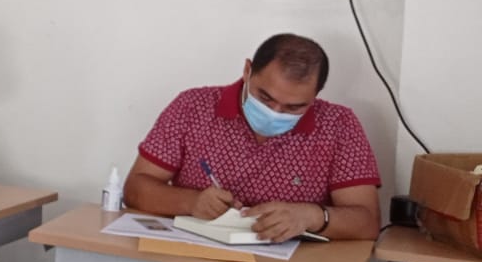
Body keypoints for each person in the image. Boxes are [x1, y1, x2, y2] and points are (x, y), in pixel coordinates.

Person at [124, 33, 382, 241]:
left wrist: (313, 217)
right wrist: (192, 202)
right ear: (247, 71)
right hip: (195, 254)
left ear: (316, 95)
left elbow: (367, 222)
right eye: (265, 98)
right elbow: (135, 189)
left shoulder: (338, 125)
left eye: (294, 107)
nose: (275, 112)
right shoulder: (193, 107)